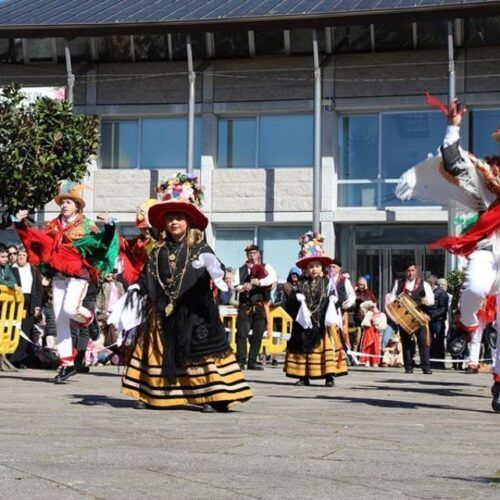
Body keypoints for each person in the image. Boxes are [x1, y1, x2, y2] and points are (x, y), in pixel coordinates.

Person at [396, 97, 500, 410]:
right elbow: (454, 161)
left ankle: (498, 381)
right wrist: (453, 126)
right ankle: (466, 321)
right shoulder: (487, 174)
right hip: (486, 243)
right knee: (474, 289)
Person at [121, 173, 253, 412]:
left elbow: (217, 269)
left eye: (179, 218)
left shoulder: (200, 247)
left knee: (199, 352)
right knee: (155, 348)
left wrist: (215, 268)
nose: (174, 223)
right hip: (162, 309)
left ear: (188, 222)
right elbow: (148, 274)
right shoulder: (158, 250)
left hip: (195, 310)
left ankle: (211, 396)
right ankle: (151, 394)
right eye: (170, 218)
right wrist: (136, 286)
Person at [14, 181, 118, 383]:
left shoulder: (87, 225)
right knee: (61, 319)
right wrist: (19, 224)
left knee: (71, 309)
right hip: (58, 277)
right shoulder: (52, 225)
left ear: (77, 206)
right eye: (62, 202)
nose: (64, 205)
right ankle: (67, 364)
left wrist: (110, 226)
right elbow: (36, 240)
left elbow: (102, 244)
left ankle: (89, 319)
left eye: (69, 202)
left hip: (78, 275)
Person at [284, 231, 347, 387]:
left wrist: (334, 299)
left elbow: (335, 296)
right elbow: (292, 300)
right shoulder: (301, 283)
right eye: (311, 266)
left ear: (322, 267)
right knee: (303, 346)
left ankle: (329, 376)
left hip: (322, 320)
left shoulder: (327, 282)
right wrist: (295, 296)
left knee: (327, 347)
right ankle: (303, 376)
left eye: (317, 266)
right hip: (305, 322)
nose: (313, 269)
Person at [233, 243, 277, 370]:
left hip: (260, 304)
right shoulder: (240, 270)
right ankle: (240, 360)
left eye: (254, 253)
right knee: (242, 333)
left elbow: (272, 279)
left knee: (258, 334)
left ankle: (252, 361)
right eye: (249, 253)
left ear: (258, 253)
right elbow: (235, 287)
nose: (251, 255)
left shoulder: (267, 266)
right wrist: (243, 287)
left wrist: (260, 282)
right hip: (245, 305)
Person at [388, 261, 434, 374]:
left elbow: (431, 300)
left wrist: (426, 301)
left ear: (416, 271)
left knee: (423, 342)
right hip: (404, 318)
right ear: (405, 272)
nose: (410, 273)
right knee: (406, 343)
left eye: (412, 270)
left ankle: (426, 367)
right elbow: (391, 298)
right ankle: (408, 367)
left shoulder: (423, 284)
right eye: (408, 271)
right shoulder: (399, 284)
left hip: (419, 318)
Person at [9, 245, 43, 367]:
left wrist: (37, 306)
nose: (21, 257)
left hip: (30, 302)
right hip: (16, 301)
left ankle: (21, 359)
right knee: (15, 330)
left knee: (26, 331)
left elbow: (38, 289)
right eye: (19, 255)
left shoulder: (33, 270)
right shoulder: (11, 269)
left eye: (24, 255)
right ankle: (12, 358)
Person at [426, 275, 449, 370]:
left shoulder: (441, 293)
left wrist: (431, 316)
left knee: (439, 341)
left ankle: (439, 362)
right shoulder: (431, 292)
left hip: (438, 321)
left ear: (431, 283)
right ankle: (431, 361)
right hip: (431, 320)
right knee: (430, 341)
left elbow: (443, 309)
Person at [352, 277, 377, 354]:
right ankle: (355, 355)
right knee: (357, 338)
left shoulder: (369, 293)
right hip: (358, 319)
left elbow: (373, 301)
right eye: (360, 284)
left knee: (364, 339)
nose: (361, 286)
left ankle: (362, 355)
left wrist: (366, 290)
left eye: (363, 285)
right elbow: (353, 300)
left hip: (366, 319)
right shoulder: (355, 292)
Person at [359, 300, 387, 367]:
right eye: (371, 306)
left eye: (374, 305)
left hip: (375, 331)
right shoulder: (368, 312)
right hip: (368, 331)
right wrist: (370, 303)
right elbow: (361, 306)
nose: (372, 307)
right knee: (367, 346)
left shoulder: (381, 314)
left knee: (375, 347)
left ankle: (375, 362)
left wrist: (377, 325)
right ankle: (367, 361)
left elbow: (383, 325)